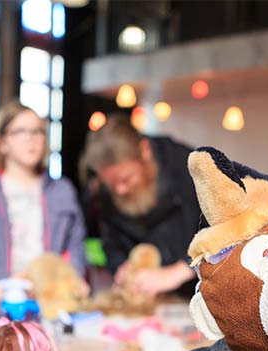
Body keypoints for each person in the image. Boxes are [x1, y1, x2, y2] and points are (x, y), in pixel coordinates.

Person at [0, 100, 86, 285]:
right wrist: (5, 281)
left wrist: (68, 280)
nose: (31, 138)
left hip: (51, 296)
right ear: (2, 142)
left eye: (37, 131)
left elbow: (76, 248)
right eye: (20, 131)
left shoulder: (62, 191)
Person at [80, 114, 200, 297]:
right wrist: (121, 268)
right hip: (148, 300)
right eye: (112, 185)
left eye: (126, 179)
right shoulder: (108, 189)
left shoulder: (188, 166)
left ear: (145, 151)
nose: (119, 190)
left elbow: (222, 231)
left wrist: (181, 270)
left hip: (199, 294)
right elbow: (112, 243)